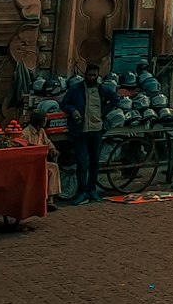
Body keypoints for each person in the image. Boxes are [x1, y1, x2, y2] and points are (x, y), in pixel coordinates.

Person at [61, 64, 119, 204]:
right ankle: (81, 192)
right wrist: (73, 111)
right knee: (82, 162)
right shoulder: (76, 89)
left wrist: (104, 112)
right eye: (89, 75)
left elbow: (115, 100)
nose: (91, 77)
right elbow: (64, 103)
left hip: (97, 129)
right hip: (81, 131)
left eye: (94, 75)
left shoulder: (103, 89)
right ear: (85, 75)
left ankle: (92, 190)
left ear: (97, 76)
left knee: (94, 162)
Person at [23, 108, 62, 212]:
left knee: (54, 168)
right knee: (46, 170)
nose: (45, 121)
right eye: (44, 119)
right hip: (30, 164)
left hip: (41, 162)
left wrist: (52, 149)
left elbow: (47, 142)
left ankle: (50, 200)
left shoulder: (42, 131)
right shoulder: (25, 134)